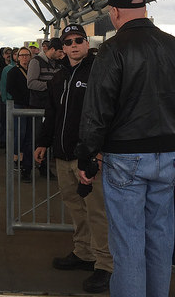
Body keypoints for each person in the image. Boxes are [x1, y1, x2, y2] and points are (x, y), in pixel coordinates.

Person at [75, 0, 175, 297]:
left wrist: (86, 157)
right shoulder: (174, 46)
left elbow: (97, 110)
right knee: (160, 242)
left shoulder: (113, 49)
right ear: (145, 9)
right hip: (168, 158)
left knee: (128, 244)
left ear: (115, 12)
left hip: (125, 159)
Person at [35, 24, 112, 293]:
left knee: (97, 210)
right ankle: (83, 252)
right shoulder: (59, 77)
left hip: (88, 157)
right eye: (68, 42)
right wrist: (43, 142)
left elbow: (107, 115)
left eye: (79, 40)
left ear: (87, 42)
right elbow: (52, 112)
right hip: (63, 154)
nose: (74, 45)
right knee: (75, 206)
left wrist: (98, 151)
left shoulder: (99, 72)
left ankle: (105, 264)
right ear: (63, 48)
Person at [27, 37, 63, 178]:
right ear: (52, 50)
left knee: (46, 137)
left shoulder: (58, 63)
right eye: (60, 51)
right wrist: (51, 87)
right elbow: (31, 83)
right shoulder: (36, 62)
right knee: (35, 138)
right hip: (38, 106)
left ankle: (44, 167)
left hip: (52, 106)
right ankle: (28, 168)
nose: (62, 54)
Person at [6, 47, 33, 182]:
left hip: (31, 106)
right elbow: (10, 88)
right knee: (20, 133)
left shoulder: (34, 71)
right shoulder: (13, 72)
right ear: (17, 57)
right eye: (21, 55)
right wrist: (23, 99)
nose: (24, 58)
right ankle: (16, 157)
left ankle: (25, 164)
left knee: (29, 135)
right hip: (19, 105)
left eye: (26, 55)